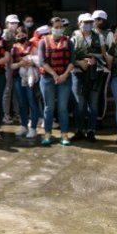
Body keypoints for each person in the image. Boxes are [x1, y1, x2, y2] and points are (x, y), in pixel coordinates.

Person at [38, 17, 75, 146]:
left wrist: (64, 75)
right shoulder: (43, 42)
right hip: (48, 79)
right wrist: (54, 74)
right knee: (49, 108)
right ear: (50, 28)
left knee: (62, 108)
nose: (59, 29)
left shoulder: (68, 42)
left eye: (61, 27)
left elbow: (72, 61)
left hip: (64, 79)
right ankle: (47, 134)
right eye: (56, 27)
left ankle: (64, 135)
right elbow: (42, 61)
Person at [70, 13, 105, 143]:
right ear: (79, 23)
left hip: (95, 74)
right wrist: (79, 63)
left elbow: (103, 55)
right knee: (80, 104)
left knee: (94, 104)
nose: (88, 24)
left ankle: (91, 131)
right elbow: (69, 57)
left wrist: (96, 60)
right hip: (78, 74)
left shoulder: (99, 36)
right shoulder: (73, 38)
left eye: (90, 22)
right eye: (85, 22)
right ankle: (79, 130)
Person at [9, 27, 39, 139]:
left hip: (30, 76)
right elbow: (11, 66)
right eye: (18, 36)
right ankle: (23, 125)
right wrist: (19, 64)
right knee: (21, 102)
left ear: (27, 34)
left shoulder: (33, 46)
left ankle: (33, 128)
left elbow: (39, 61)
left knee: (32, 101)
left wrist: (31, 62)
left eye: (22, 35)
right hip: (18, 77)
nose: (20, 38)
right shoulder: (14, 48)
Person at [92, 10, 114, 124]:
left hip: (104, 69)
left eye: (98, 19)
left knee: (100, 93)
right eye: (94, 19)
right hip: (89, 68)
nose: (96, 22)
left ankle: (99, 118)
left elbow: (111, 52)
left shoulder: (109, 34)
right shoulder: (89, 32)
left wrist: (109, 66)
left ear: (104, 21)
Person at [2, 14, 21, 125]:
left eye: (16, 23)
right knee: (8, 89)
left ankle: (16, 113)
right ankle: (6, 114)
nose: (14, 25)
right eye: (12, 23)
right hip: (8, 65)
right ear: (7, 24)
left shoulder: (18, 34)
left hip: (18, 64)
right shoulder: (4, 36)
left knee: (16, 90)